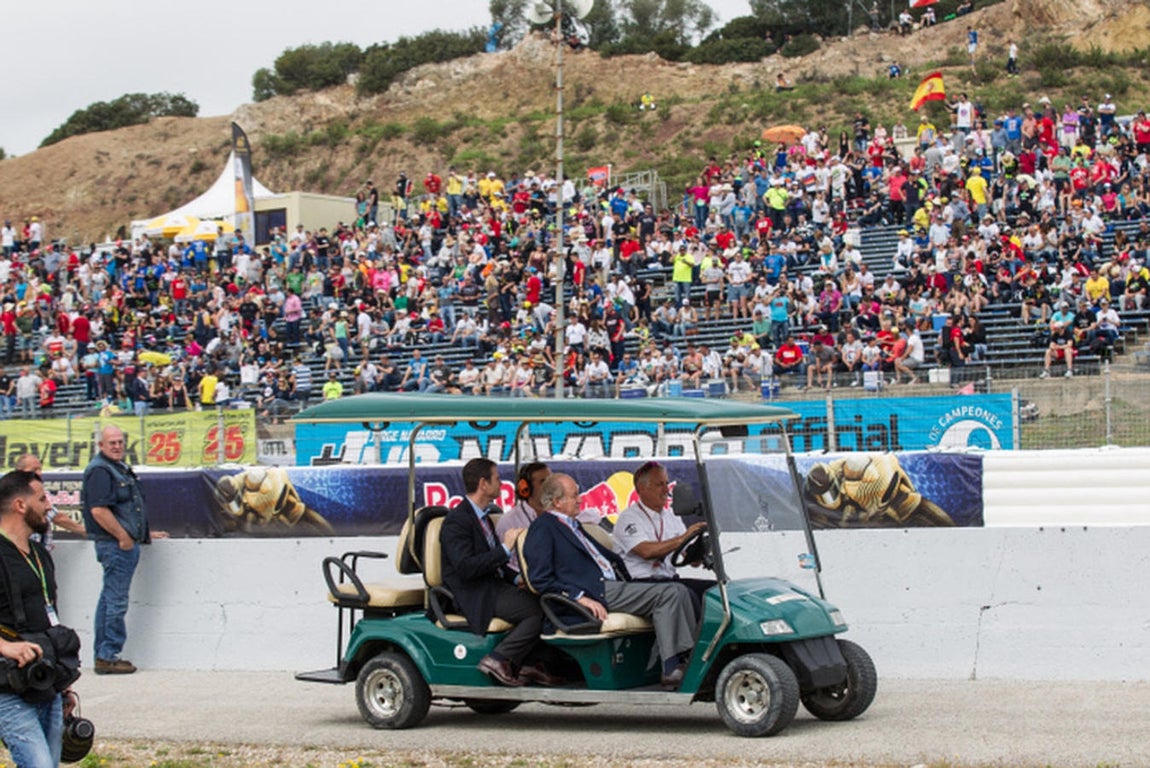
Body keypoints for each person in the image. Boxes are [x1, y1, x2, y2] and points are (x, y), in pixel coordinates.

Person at [523, 473, 698, 690]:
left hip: (611, 585)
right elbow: (540, 579)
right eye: (574, 495)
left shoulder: (573, 525)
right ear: (557, 501)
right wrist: (580, 598)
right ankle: (672, 666)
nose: (580, 499)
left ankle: (685, 657)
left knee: (682, 590)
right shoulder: (544, 527)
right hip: (596, 592)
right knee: (671, 593)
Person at [438, 458, 554, 688]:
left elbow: (494, 564)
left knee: (548, 599)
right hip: (472, 592)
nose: (502, 484)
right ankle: (498, 658)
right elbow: (466, 567)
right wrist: (505, 548)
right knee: (536, 611)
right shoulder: (457, 521)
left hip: (491, 585)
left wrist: (518, 578)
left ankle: (530, 664)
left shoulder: (484, 516)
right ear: (483, 483)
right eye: (497, 479)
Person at [0, 470, 81, 768]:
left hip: (45, 682)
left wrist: (64, 683)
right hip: (6, 686)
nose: (50, 506)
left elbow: (51, 619)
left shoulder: (39, 554)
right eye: (43, 498)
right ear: (20, 505)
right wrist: (5, 647)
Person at [80, 425, 169, 674]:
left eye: (120, 442)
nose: (117, 446)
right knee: (115, 600)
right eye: (112, 443)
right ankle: (107, 655)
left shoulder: (114, 468)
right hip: (115, 545)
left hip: (119, 543)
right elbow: (99, 510)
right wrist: (123, 537)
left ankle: (105, 654)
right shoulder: (101, 470)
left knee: (110, 598)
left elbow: (125, 510)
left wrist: (141, 533)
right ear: (100, 445)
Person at [612, 461, 714, 620]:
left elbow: (690, 558)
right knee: (686, 595)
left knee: (713, 592)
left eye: (666, 483)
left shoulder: (671, 516)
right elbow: (646, 551)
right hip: (640, 585)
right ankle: (693, 643)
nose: (667, 489)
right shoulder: (628, 518)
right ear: (642, 489)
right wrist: (683, 538)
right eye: (660, 484)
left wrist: (700, 550)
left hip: (669, 581)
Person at [13, 455, 85, 548]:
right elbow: (57, 517)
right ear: (20, 471)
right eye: (34, 469)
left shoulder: (35, 490)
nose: (39, 473)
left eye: (40, 469)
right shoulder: (16, 493)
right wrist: (84, 531)